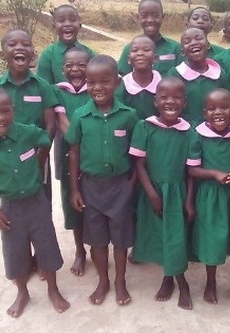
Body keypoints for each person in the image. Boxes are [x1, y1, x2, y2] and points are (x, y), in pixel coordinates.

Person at [0, 87, 69, 318]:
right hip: (9, 208)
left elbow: (46, 140)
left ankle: (53, 289)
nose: (0, 118)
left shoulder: (28, 133)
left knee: (47, 247)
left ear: (13, 110)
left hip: (37, 203)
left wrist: (40, 162)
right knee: (15, 253)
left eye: (5, 111)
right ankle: (22, 292)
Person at [66, 55, 139, 306]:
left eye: (104, 81)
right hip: (91, 188)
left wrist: (131, 184)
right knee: (97, 239)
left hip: (120, 186)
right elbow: (73, 151)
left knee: (119, 239)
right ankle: (103, 281)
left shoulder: (129, 115)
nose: (97, 87)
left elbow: (137, 153)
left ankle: (120, 281)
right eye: (91, 82)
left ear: (117, 82)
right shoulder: (80, 116)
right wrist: (75, 188)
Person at [129, 77, 194, 310]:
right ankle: (169, 277)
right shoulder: (145, 127)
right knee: (160, 237)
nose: (170, 102)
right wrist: (152, 194)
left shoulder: (188, 132)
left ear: (185, 103)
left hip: (178, 193)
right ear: (155, 101)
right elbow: (139, 164)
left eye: (177, 97)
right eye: (164, 97)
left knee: (175, 238)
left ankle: (180, 282)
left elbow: (191, 171)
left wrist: (188, 200)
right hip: (152, 192)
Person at [187, 88, 230, 305]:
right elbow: (192, 170)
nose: (218, 112)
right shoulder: (198, 134)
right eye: (212, 108)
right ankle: (211, 282)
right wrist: (214, 173)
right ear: (205, 112)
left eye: (224, 107)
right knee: (211, 241)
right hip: (210, 197)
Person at [0, 29, 58, 200]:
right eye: (12, 44)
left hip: (38, 155)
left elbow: (51, 125)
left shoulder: (42, 86)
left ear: (32, 54)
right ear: (2, 54)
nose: (20, 48)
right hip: (7, 157)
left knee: (41, 202)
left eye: (26, 44)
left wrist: (41, 157)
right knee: (12, 205)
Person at [54, 48, 91, 277]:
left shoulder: (96, 88)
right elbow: (62, 123)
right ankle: (80, 251)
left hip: (95, 158)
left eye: (81, 65)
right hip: (70, 157)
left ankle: (98, 246)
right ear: (62, 69)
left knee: (95, 203)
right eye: (70, 65)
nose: (75, 69)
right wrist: (86, 139)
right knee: (73, 204)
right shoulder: (57, 92)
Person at [166, 27, 230, 125]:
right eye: (187, 41)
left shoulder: (219, 74)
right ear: (182, 52)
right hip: (185, 130)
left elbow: (227, 104)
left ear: (208, 45)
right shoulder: (175, 74)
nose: (194, 43)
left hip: (214, 130)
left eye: (198, 38)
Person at [118, 0, 182, 76]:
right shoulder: (130, 49)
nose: (150, 20)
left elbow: (183, 77)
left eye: (155, 16)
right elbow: (122, 78)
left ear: (163, 18)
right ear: (138, 18)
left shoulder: (175, 48)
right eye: (144, 16)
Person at [37, 4, 97, 85]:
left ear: (80, 25)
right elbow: (43, 88)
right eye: (61, 21)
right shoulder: (48, 56)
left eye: (72, 20)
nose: (67, 24)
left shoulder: (89, 54)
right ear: (54, 27)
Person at [116, 34, 161, 120]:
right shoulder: (122, 86)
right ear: (128, 60)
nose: (140, 53)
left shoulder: (162, 85)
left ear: (155, 58)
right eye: (135, 50)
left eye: (146, 50)